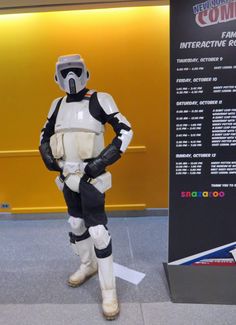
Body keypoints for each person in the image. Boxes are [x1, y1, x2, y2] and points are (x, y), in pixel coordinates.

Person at [39, 54, 133, 320]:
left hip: (91, 177)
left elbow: (125, 130)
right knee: (75, 224)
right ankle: (87, 265)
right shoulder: (56, 105)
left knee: (98, 231)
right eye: (65, 72)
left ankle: (109, 291)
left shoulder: (100, 99)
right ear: (56, 77)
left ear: (86, 73)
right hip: (67, 176)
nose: (71, 77)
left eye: (75, 71)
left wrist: (102, 161)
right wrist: (48, 157)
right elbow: (44, 134)